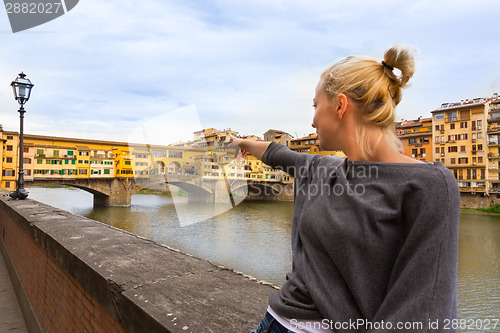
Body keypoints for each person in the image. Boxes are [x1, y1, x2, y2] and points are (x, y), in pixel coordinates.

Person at [231, 45, 460, 333]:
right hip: (271, 322)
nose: (312, 120)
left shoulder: (429, 185)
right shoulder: (322, 168)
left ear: (340, 105)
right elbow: (276, 153)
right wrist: (240, 144)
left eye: (316, 106)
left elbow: (426, 311)